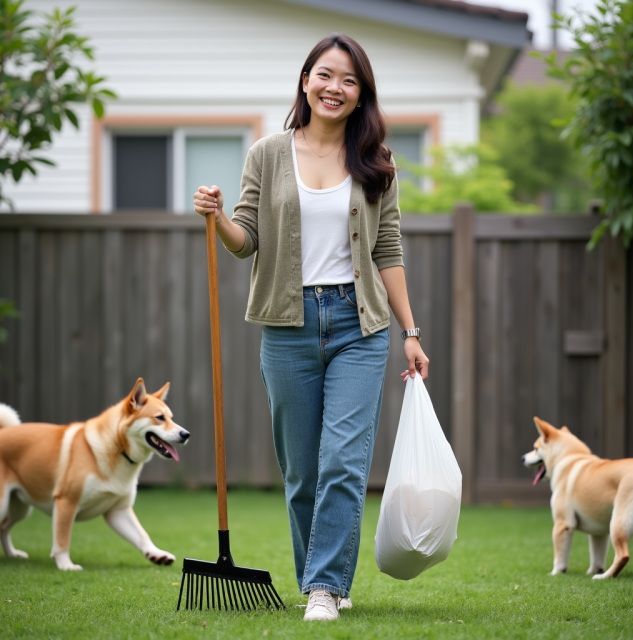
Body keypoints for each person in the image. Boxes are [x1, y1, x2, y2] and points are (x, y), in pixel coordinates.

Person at [194, 33, 429, 622]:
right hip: (288, 326)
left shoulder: (377, 164)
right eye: (326, 75)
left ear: (360, 96)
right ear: (306, 81)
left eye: (349, 81)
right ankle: (325, 577)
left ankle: (323, 588)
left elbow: (389, 250)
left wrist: (410, 331)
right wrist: (218, 216)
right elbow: (245, 242)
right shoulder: (267, 154)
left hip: (360, 324)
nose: (335, 88)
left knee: (343, 463)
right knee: (302, 471)